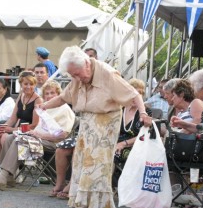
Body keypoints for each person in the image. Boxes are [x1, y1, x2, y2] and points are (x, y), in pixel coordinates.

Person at [37, 46, 151, 208]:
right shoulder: (77, 75)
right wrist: (45, 106)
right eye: (72, 75)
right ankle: (82, 202)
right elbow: (64, 97)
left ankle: (97, 204)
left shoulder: (107, 73)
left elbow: (134, 94)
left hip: (106, 124)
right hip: (87, 124)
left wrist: (144, 114)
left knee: (96, 166)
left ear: (86, 64)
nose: (76, 77)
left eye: (77, 73)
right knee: (82, 163)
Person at [0, 80, 75, 188]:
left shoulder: (64, 109)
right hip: (38, 138)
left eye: (52, 93)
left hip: (53, 142)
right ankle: (8, 176)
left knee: (20, 141)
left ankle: (3, 175)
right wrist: (30, 133)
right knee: (10, 137)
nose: (49, 96)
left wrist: (39, 135)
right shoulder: (45, 108)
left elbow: (63, 135)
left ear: (58, 94)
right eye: (47, 93)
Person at [0, 71, 41, 165]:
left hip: (29, 133)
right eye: (25, 84)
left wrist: (12, 129)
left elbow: (34, 125)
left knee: (5, 137)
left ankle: (8, 168)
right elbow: (13, 118)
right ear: (21, 84)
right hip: (17, 129)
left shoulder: (38, 100)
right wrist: (4, 127)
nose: (28, 87)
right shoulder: (21, 96)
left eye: (31, 84)